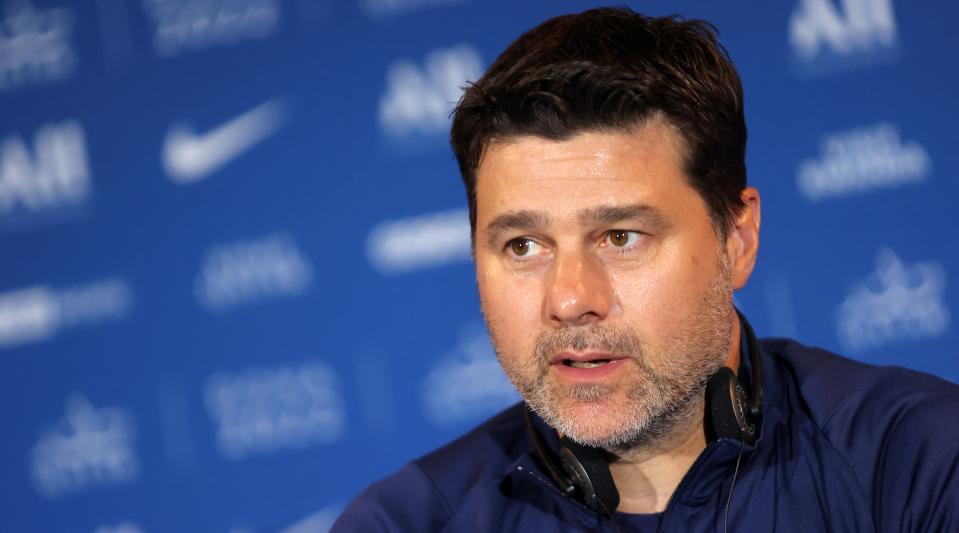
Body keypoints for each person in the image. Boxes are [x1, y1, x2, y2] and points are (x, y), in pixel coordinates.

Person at [333, 7, 959, 532]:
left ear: (736, 240)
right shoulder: (405, 524)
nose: (572, 298)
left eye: (620, 236)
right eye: (524, 246)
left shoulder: (914, 463)